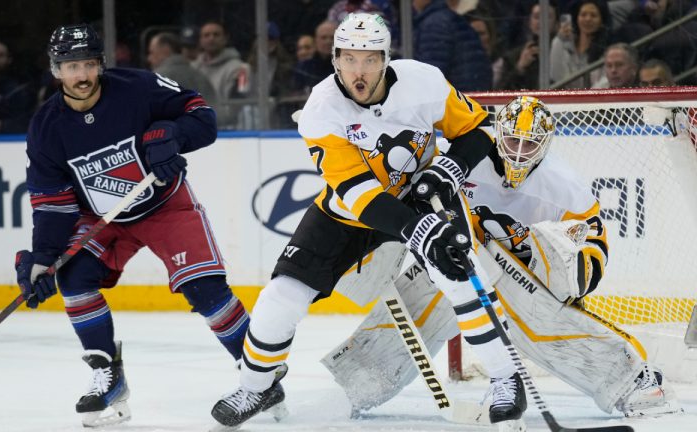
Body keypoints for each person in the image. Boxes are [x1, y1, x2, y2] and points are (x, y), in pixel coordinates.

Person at [211, 13, 526, 429]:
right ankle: (257, 385)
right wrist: (417, 230)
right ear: (335, 59)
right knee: (279, 297)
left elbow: (479, 127)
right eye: (349, 59)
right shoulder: (321, 109)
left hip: (423, 197)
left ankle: (507, 379)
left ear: (386, 59)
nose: (358, 72)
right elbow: (360, 196)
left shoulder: (424, 82)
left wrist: (449, 168)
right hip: (348, 213)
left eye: (369, 60)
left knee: (464, 279)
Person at [322, 96, 681, 418]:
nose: (520, 153)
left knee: (533, 314)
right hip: (461, 256)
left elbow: (592, 243)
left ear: (546, 145)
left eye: (530, 144)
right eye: (513, 141)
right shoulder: (465, 159)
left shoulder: (563, 186)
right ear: (498, 136)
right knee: (424, 299)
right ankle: (360, 378)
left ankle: (633, 380)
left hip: (528, 273)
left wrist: (563, 270)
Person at [15, 24, 250, 427]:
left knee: (204, 289)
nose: (82, 75)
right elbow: (53, 205)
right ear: (56, 71)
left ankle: (258, 376)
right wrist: (42, 258)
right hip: (102, 217)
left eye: (89, 64)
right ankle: (107, 374)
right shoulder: (46, 127)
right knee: (73, 278)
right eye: (71, 67)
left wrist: (174, 134)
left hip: (164, 204)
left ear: (101, 64)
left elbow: (202, 116)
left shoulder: (137, 88)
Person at [412, 0, 493, 91]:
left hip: (454, 100)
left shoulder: (434, 25)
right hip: (468, 98)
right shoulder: (447, 19)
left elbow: (430, 81)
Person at [192, 21, 251, 129]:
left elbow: (237, 105)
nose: (211, 38)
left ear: (225, 39)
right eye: (206, 35)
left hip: (228, 129)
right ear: (200, 40)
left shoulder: (241, 69)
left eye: (216, 34)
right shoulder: (193, 68)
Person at [550, 0, 611, 88]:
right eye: (583, 15)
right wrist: (558, 41)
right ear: (577, 18)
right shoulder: (562, 43)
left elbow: (604, 83)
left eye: (593, 15)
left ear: (601, 21)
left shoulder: (607, 52)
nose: (588, 19)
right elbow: (556, 76)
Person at [499, 0, 559, 90]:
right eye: (536, 17)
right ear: (529, 22)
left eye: (547, 17)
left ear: (556, 24)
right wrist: (520, 67)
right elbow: (501, 92)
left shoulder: (562, 51)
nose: (541, 21)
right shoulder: (513, 57)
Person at [146, 31, 217, 105]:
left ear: (165, 49)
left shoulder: (157, 79)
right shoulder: (201, 77)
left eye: (151, 52)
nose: (149, 58)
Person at [293, 20, 337, 93]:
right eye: (323, 38)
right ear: (316, 40)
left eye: (332, 38)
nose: (328, 42)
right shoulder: (303, 67)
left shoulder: (349, 67)